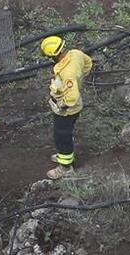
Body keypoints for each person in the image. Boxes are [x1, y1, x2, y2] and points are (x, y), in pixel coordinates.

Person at [40, 36, 92, 180]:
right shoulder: (75, 53)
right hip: (69, 103)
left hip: (68, 109)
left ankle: (65, 167)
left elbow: (71, 98)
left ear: (54, 55)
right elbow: (88, 63)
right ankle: (64, 157)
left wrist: (60, 105)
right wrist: (79, 78)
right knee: (62, 133)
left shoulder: (67, 73)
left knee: (62, 135)